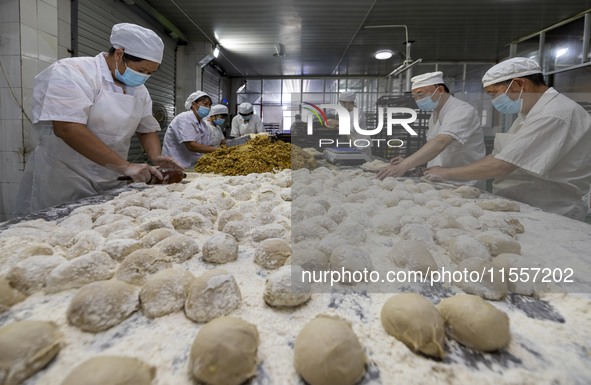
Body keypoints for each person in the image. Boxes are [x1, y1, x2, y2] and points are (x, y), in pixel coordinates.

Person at [14, 23, 181, 216]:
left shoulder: (139, 90)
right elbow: (67, 128)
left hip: (111, 177)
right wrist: (125, 166)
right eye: (142, 70)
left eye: (150, 73)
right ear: (119, 54)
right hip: (64, 177)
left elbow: (146, 128)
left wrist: (156, 157)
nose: (145, 77)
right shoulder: (74, 71)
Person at [424, 57, 591, 221]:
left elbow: (502, 165)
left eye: (494, 93)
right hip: (525, 205)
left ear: (519, 84)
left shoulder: (554, 114)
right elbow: (499, 156)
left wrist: (446, 173)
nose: (494, 100)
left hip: (552, 212)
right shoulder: (529, 113)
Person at [376, 71, 485, 188]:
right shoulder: (435, 115)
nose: (418, 100)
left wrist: (404, 165)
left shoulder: (461, 111)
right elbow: (434, 148)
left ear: (440, 90)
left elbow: (440, 142)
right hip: (437, 179)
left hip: (463, 184)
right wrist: (411, 161)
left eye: (421, 95)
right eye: (415, 97)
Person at [162, 91, 218, 169]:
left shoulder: (203, 125)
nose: (208, 108)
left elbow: (208, 146)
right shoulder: (184, 118)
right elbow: (191, 146)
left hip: (192, 166)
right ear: (193, 104)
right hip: (175, 165)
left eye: (209, 105)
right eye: (205, 104)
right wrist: (218, 150)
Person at [328, 91, 372, 156]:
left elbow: (351, 128)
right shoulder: (348, 113)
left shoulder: (358, 112)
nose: (342, 106)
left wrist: (336, 122)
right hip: (354, 144)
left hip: (362, 145)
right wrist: (335, 126)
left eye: (342, 104)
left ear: (347, 103)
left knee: (366, 164)